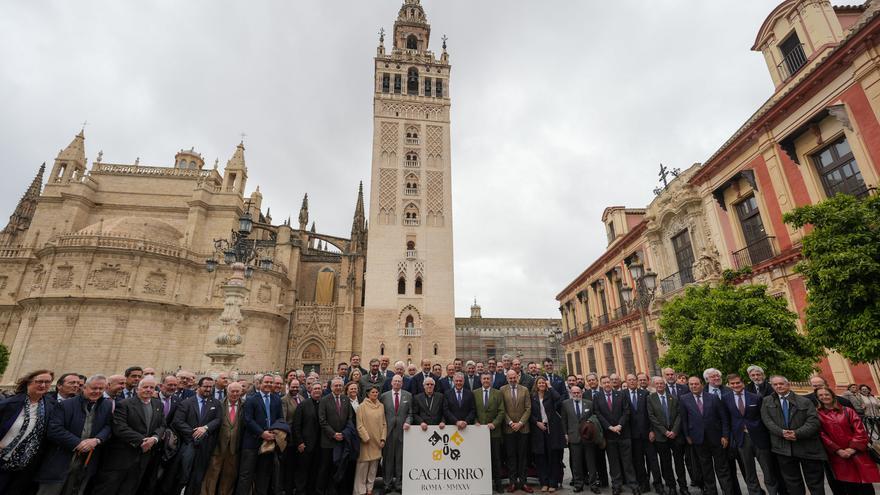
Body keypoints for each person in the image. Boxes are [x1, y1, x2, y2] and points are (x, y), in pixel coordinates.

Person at [37, 373, 113, 495]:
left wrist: (97, 440)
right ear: (84, 388)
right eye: (94, 388)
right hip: (61, 459)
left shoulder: (107, 405)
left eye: (101, 389)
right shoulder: (65, 405)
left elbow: (108, 426)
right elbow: (54, 430)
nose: (97, 391)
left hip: (87, 462)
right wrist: (79, 443)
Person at [91, 375, 165, 495]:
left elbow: (162, 425)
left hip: (143, 456)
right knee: (107, 488)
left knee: (130, 488)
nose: (149, 390)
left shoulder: (158, 405)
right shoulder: (124, 404)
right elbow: (120, 427)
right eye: (145, 387)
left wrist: (155, 438)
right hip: (122, 456)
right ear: (137, 389)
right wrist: (143, 441)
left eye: (152, 387)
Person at [761, 375, 826, 495]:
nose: (778, 386)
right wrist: (782, 432)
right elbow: (767, 421)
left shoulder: (804, 401)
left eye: (781, 383)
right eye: (775, 384)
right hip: (783, 448)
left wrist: (797, 433)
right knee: (792, 482)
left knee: (815, 482)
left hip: (807, 447)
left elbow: (813, 422)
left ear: (788, 384)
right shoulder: (767, 401)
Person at [815, 385, 880, 495]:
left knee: (865, 485)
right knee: (849, 485)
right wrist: (838, 450)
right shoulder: (817, 415)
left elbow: (860, 430)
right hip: (838, 456)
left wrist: (852, 448)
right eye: (820, 395)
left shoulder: (848, 410)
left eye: (826, 394)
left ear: (832, 395)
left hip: (857, 453)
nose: (824, 397)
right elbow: (821, 435)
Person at [722, 373, 778, 495]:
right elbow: (726, 420)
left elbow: (764, 418)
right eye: (732, 383)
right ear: (729, 385)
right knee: (749, 471)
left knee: (768, 469)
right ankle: (755, 492)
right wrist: (727, 436)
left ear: (743, 383)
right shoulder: (726, 398)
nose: (735, 385)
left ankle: (773, 492)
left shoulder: (755, 397)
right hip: (741, 438)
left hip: (759, 437)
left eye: (738, 382)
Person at [0, 369, 53, 493]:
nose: (43, 385)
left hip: (25, 464)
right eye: (39, 381)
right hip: (2, 457)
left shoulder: (50, 407)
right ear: (29, 382)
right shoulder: (10, 403)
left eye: (47, 382)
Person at [679, 376, 733, 495]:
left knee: (722, 468)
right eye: (691, 384)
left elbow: (723, 418)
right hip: (698, 439)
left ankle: (727, 491)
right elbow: (684, 420)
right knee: (706, 468)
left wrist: (725, 436)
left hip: (717, 438)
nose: (693, 386)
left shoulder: (713, 398)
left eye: (696, 384)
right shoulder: (684, 399)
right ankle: (711, 491)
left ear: (702, 384)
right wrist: (687, 436)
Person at [172, 376, 221, 495]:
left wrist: (205, 428)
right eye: (205, 386)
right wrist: (194, 433)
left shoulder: (215, 403)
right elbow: (178, 421)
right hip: (188, 443)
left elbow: (218, 419)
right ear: (198, 387)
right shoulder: (187, 402)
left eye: (210, 387)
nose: (208, 389)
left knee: (198, 476)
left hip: (205, 446)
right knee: (183, 473)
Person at [236, 374, 283, 495]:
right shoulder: (251, 399)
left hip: (269, 444)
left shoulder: (276, 399)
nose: (268, 385)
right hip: (252, 443)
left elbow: (280, 419)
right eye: (266, 382)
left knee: (264, 475)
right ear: (260, 383)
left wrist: (274, 432)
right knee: (246, 475)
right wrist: (262, 433)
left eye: (270, 382)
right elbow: (248, 420)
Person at [594, 375, 638, 495]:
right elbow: (598, 413)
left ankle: (633, 485)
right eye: (604, 383)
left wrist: (619, 425)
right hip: (609, 435)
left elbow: (626, 411)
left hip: (623, 434)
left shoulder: (621, 394)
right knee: (613, 463)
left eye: (608, 382)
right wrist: (610, 427)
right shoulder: (597, 396)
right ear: (601, 384)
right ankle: (616, 485)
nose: (607, 384)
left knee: (628, 462)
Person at [647, 376, 688, 495]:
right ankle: (671, 486)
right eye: (657, 384)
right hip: (661, 436)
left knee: (679, 463)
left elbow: (679, 415)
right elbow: (651, 417)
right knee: (666, 463)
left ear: (665, 385)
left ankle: (683, 486)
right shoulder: (650, 398)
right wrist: (664, 431)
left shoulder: (673, 398)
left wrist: (674, 431)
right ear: (654, 385)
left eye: (661, 383)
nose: (660, 385)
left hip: (675, 436)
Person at [201, 381, 243, 495]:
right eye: (232, 391)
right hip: (218, 445)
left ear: (241, 392)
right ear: (227, 392)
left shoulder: (245, 405)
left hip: (235, 447)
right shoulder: (218, 404)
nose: (234, 394)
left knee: (229, 475)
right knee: (212, 474)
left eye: (237, 391)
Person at [625, 373, 659, 494]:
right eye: (630, 380)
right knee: (638, 462)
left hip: (647, 434)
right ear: (626, 382)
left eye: (634, 380)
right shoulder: (623, 395)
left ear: (637, 381)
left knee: (653, 460)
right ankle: (644, 484)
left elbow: (650, 414)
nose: (632, 382)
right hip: (633, 436)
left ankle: (658, 483)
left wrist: (651, 430)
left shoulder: (645, 394)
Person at [318, 377, 352, 495]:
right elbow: (322, 420)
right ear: (331, 387)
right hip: (328, 441)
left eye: (340, 386)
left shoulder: (346, 400)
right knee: (325, 467)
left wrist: (344, 433)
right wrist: (333, 434)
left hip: (342, 439)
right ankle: (321, 491)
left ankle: (335, 490)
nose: (338, 387)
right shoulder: (324, 400)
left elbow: (350, 418)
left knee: (339, 468)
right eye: (335, 385)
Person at [561, 386, 598, 494]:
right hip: (574, 437)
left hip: (588, 437)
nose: (576, 394)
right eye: (574, 393)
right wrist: (565, 434)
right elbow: (564, 420)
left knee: (591, 462)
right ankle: (578, 484)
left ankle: (593, 484)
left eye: (578, 392)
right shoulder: (565, 404)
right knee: (576, 463)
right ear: (571, 393)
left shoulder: (589, 403)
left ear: (582, 392)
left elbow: (594, 418)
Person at [531, 376, 565, 492]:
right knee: (541, 457)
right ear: (536, 385)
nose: (541, 384)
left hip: (551, 429)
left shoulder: (550, 394)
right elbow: (530, 413)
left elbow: (559, 398)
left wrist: (550, 387)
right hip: (539, 429)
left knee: (553, 457)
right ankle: (544, 482)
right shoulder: (533, 397)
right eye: (539, 383)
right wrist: (536, 422)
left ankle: (553, 483)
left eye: (543, 383)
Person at [501, 368, 532, 493]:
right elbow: (502, 409)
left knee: (523, 456)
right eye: (510, 378)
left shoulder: (524, 390)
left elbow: (528, 408)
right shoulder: (502, 390)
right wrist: (510, 423)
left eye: (514, 377)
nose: (513, 380)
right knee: (511, 456)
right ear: (507, 378)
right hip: (509, 429)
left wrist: (520, 423)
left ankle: (523, 482)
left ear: (517, 378)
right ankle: (512, 482)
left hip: (523, 428)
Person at [474, 372, 505, 492]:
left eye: (488, 378)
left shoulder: (497, 393)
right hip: (479, 433)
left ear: (491, 380)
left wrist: (495, 423)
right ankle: (482, 484)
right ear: (481, 380)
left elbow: (501, 411)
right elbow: (473, 410)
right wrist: (475, 421)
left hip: (494, 432)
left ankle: (498, 484)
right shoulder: (475, 393)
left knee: (496, 459)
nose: (486, 380)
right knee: (481, 459)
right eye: (484, 378)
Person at [381, 375, 412, 493]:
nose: (397, 383)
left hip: (402, 431)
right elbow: (381, 413)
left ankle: (399, 483)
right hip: (388, 432)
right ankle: (387, 484)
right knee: (387, 458)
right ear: (391, 383)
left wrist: (408, 422)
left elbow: (410, 413)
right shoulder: (384, 396)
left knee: (400, 459)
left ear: (402, 383)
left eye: (399, 381)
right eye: (395, 381)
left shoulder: (408, 395)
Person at [291, 383, 323, 495]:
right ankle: (300, 491)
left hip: (320, 445)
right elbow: (296, 425)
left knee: (315, 471)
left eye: (319, 389)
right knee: (302, 471)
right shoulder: (303, 405)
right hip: (305, 445)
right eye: (315, 389)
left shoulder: (323, 404)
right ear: (310, 390)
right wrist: (299, 442)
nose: (317, 391)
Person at [354, 386, 386, 495]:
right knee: (363, 468)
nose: (375, 394)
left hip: (377, 442)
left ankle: (369, 489)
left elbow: (384, 424)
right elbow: (359, 425)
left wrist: (383, 439)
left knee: (373, 468)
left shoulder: (381, 406)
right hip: (366, 442)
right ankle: (360, 491)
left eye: (377, 392)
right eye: (373, 392)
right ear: (368, 394)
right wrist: (366, 438)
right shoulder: (361, 407)